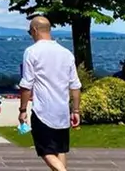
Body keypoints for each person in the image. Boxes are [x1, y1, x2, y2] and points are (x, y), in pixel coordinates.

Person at [18, 15, 81, 171]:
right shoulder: (66, 53)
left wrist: (22, 109)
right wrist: (76, 110)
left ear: (34, 30)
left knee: (45, 150)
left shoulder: (32, 52)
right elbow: (75, 85)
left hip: (43, 111)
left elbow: (26, 84)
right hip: (62, 111)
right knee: (60, 150)